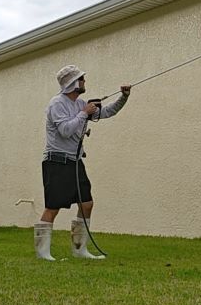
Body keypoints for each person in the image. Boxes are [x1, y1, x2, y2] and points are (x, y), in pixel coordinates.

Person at [34, 64, 131, 260]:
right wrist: (84, 113)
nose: (84, 81)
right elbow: (65, 131)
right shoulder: (56, 104)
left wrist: (124, 97)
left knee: (86, 204)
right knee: (53, 207)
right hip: (56, 161)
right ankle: (42, 253)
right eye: (81, 78)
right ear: (73, 83)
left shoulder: (81, 104)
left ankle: (80, 250)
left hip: (75, 162)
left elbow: (108, 112)